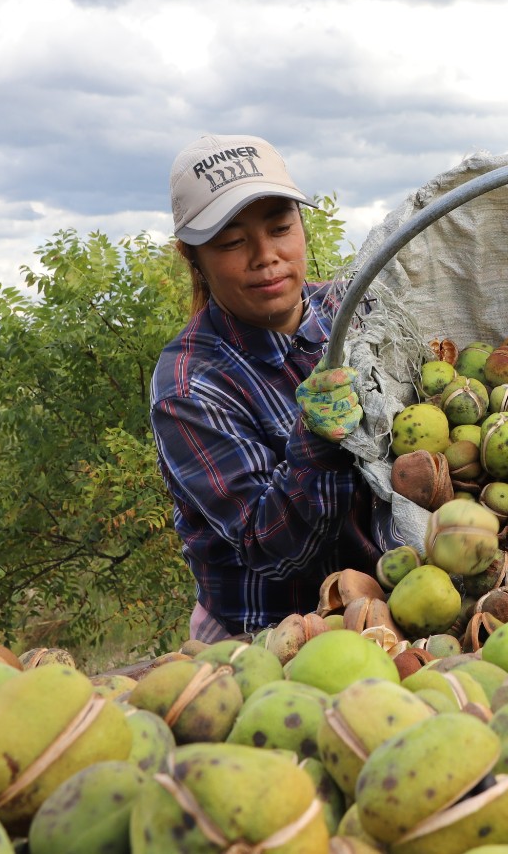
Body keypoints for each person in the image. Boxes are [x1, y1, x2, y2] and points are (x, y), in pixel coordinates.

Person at [150, 133, 382, 642]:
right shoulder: (190, 387)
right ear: (193, 258)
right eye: (232, 242)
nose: (265, 256)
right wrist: (315, 441)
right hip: (264, 638)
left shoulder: (353, 313)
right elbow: (277, 550)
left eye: (280, 228)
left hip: (378, 616)